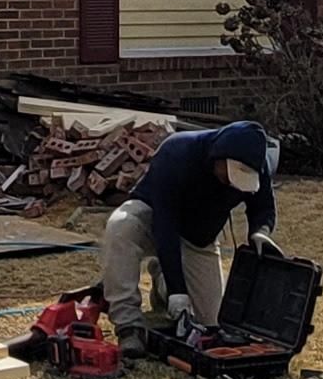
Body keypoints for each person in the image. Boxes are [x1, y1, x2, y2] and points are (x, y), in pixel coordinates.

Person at [97, 119, 283, 343]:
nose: (234, 185)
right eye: (231, 176)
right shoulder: (177, 151)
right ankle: (129, 325)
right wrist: (179, 290)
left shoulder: (257, 164)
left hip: (198, 236)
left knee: (210, 322)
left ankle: (162, 283)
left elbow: (262, 206)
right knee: (121, 226)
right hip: (153, 217)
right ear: (219, 155)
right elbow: (164, 224)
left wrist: (260, 232)